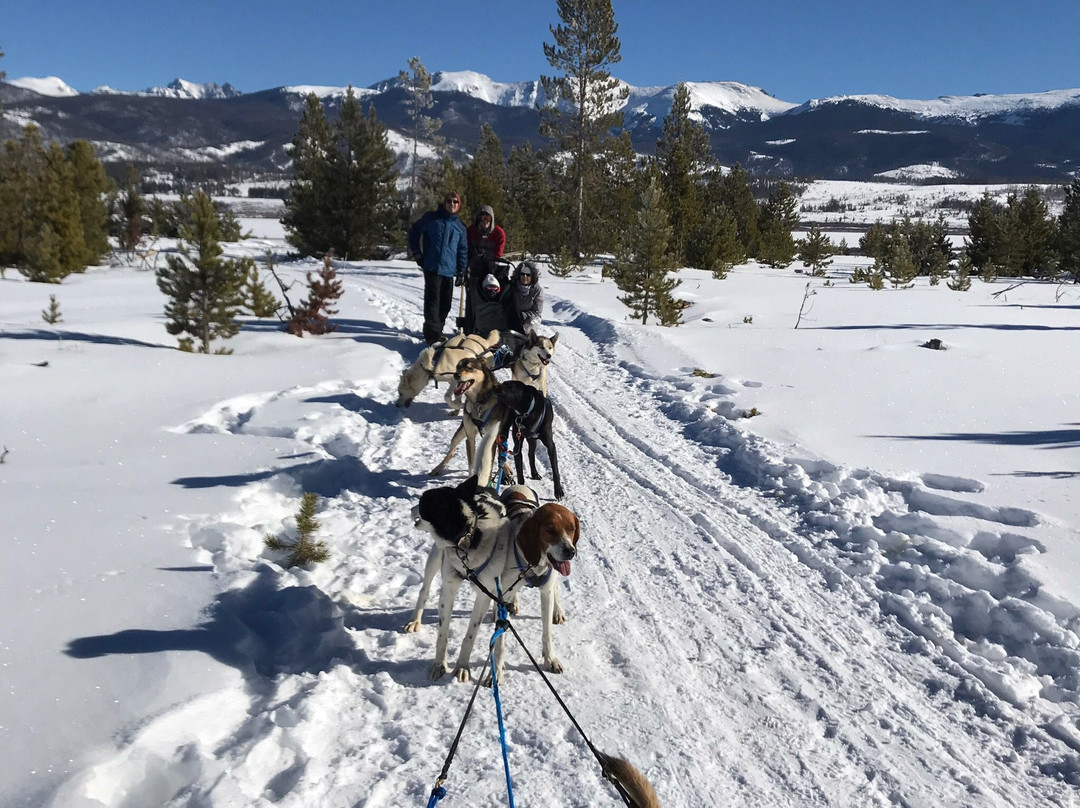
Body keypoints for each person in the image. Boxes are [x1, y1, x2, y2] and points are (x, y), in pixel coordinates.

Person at [407, 191, 468, 344]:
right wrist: (417, 253)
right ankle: (432, 333)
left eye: (455, 202)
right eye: (449, 201)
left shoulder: (460, 227)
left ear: (458, 205)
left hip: (449, 270)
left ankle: (437, 329)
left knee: (445, 303)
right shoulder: (432, 218)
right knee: (433, 301)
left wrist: (461, 270)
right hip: (432, 266)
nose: (452, 204)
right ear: (444, 202)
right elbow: (413, 231)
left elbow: (462, 250)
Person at [510, 260, 544, 335]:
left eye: (528, 274)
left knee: (532, 322)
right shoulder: (512, 286)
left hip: (529, 318)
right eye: (522, 274)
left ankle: (530, 341)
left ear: (532, 276)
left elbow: (537, 311)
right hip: (512, 316)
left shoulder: (537, 290)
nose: (525, 276)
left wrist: (523, 315)